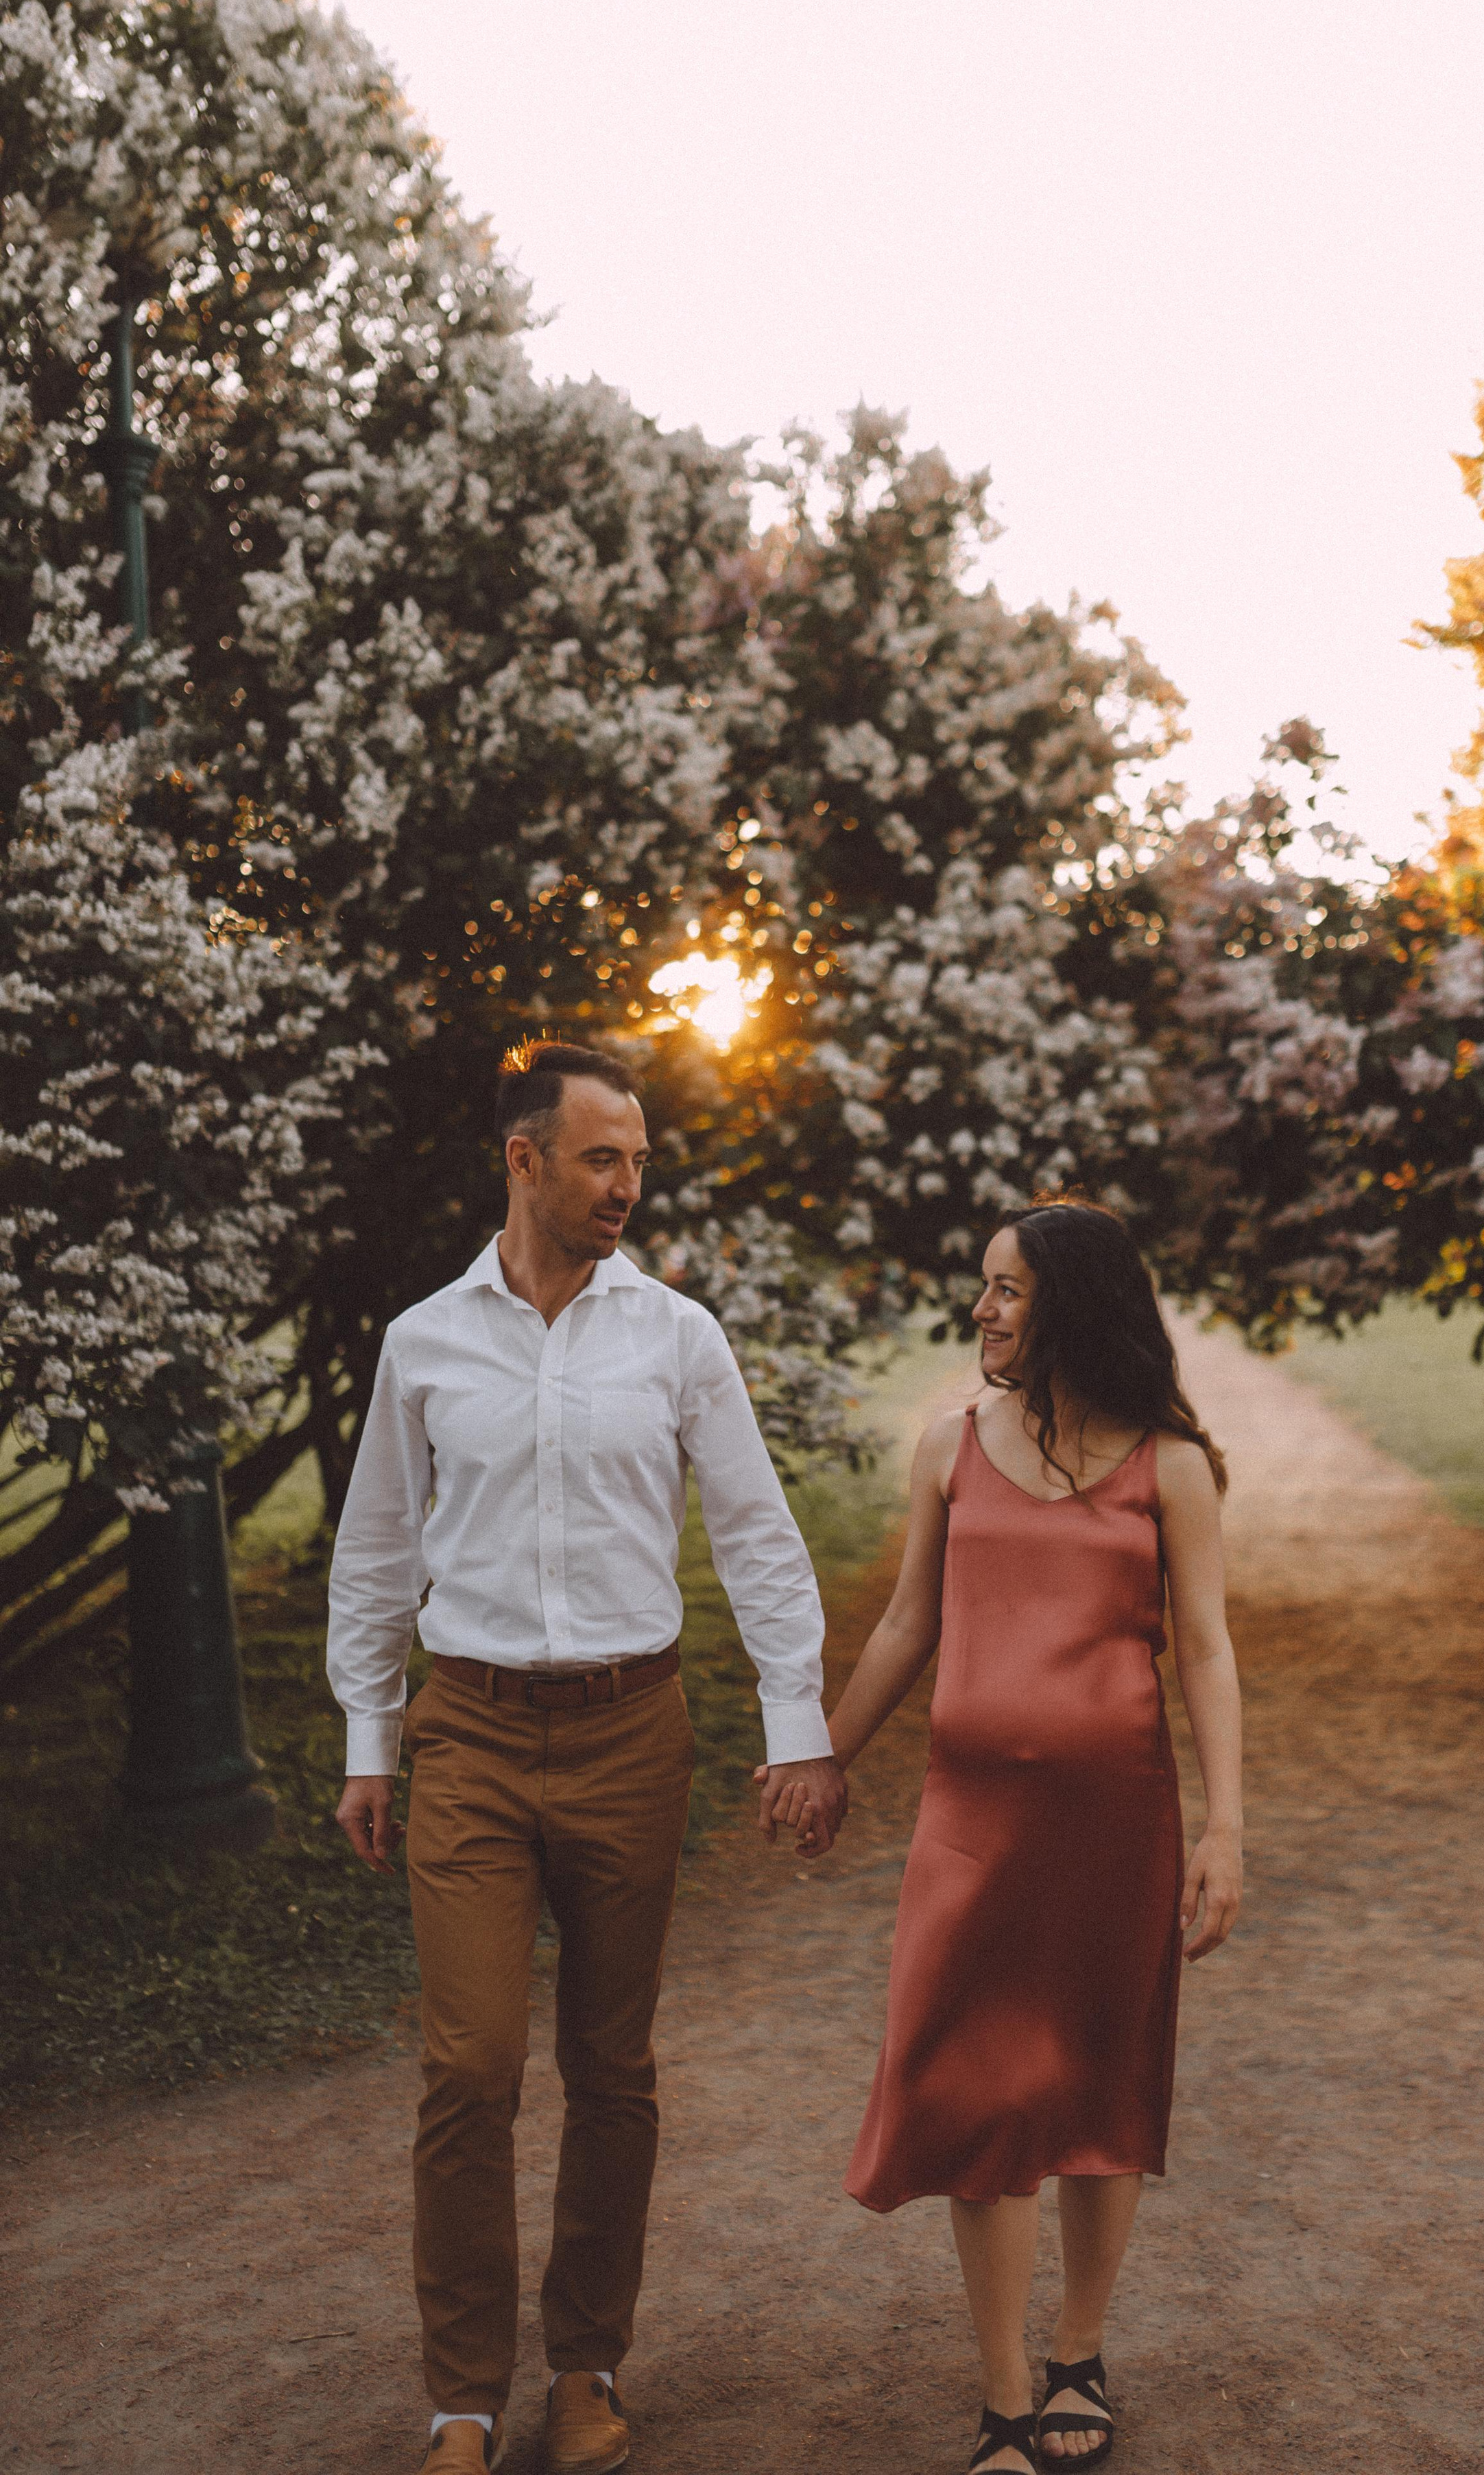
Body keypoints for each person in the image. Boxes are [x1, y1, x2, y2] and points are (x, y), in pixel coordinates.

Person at [326, 1040, 846, 2475]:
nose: (627, 1185)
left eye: (638, 1161)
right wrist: (371, 1742)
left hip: (632, 1733)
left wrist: (796, 1727)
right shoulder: (425, 1341)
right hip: (474, 1736)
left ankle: (587, 2367)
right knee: (470, 2064)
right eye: (602, 1158)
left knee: (610, 2067)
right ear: (524, 1158)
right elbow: (375, 1549)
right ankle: (460, 2399)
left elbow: (755, 1534)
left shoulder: (675, 1338)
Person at [776, 1199, 1241, 2474]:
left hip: (1117, 1827)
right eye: (983, 1287)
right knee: (982, 2091)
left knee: (1099, 2085)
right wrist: (822, 1753)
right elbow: (905, 1626)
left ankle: (1077, 2352)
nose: (982, 1310)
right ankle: (999, 2401)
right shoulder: (949, 1446)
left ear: (1074, 1306)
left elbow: (1203, 1646)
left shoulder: (1171, 1463)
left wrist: (1227, 1828)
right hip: (970, 1830)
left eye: (1007, 1290)